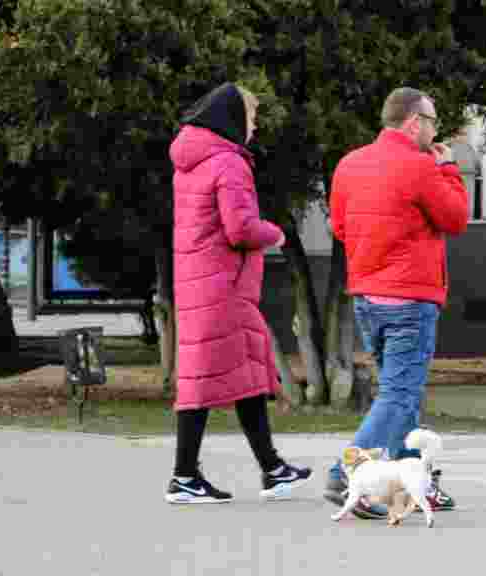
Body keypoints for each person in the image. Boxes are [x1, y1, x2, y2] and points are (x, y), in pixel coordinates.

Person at [325, 87, 469, 518]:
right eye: (432, 121)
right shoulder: (422, 166)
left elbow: (339, 226)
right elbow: (456, 218)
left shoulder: (349, 164)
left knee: (402, 397)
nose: (434, 129)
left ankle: (409, 487)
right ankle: (344, 472)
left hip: (368, 297)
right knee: (399, 395)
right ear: (413, 122)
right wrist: (448, 167)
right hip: (410, 299)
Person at [165, 82, 311, 503]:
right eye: (251, 117)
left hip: (197, 280)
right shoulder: (228, 162)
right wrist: (277, 234)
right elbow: (241, 228)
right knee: (207, 377)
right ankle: (185, 476)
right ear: (231, 119)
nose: (255, 126)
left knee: (234, 372)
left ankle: (272, 469)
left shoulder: (190, 161)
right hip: (223, 284)